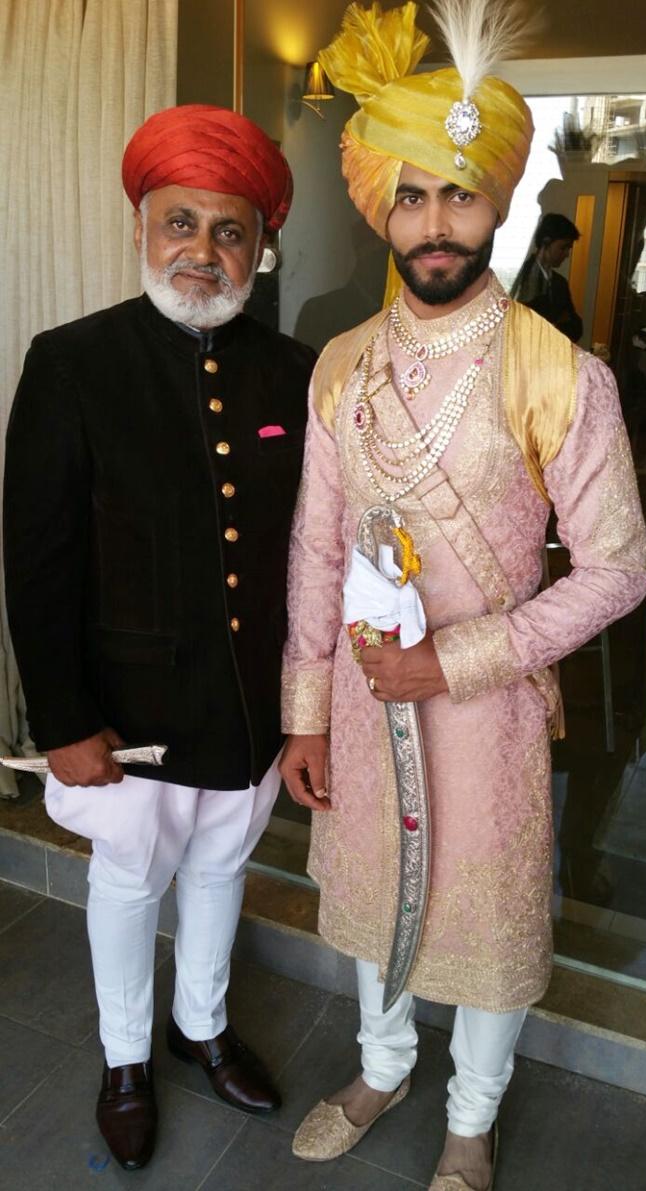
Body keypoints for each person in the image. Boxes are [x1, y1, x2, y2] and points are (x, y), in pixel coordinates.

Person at [278, 4, 646, 1190]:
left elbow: (617, 569)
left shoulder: (561, 371)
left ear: (496, 199)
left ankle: (470, 1118)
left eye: (458, 195)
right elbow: (314, 542)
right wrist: (305, 711)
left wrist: (456, 659)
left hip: (484, 707)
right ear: (381, 205)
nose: (434, 224)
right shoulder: (342, 363)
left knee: (485, 924)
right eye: (411, 196)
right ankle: (382, 1067)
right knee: (373, 892)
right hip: (357, 697)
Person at [4, 104, 315, 1171]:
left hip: (247, 703)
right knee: (131, 881)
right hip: (124, 711)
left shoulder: (294, 372)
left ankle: (204, 1028)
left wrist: (305, 706)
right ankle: (127, 1058)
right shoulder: (70, 362)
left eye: (229, 230)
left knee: (224, 869)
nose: (202, 250)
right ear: (141, 226)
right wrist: (64, 722)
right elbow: (36, 563)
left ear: (261, 245)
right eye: (178, 222)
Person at [510, 212, 583, 342]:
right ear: (546, 242)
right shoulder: (522, 277)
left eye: (569, 248)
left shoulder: (560, 282)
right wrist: (558, 321)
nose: (567, 254)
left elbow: (576, 328)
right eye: (563, 247)